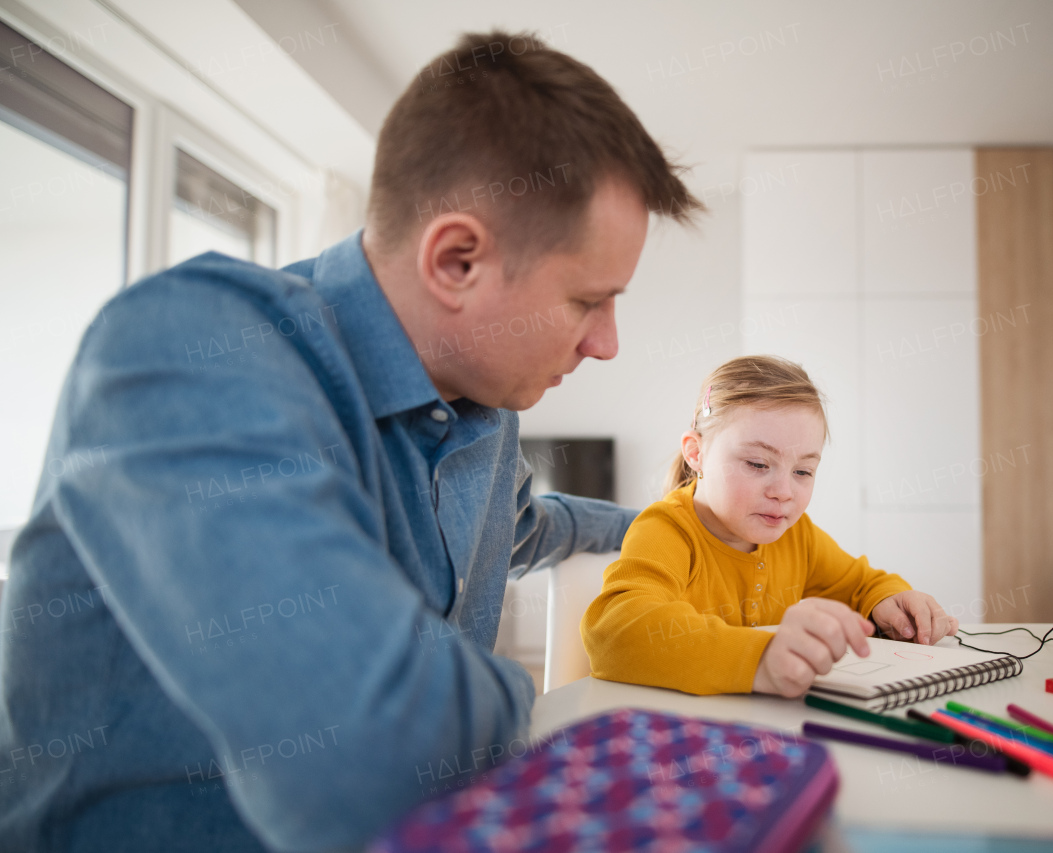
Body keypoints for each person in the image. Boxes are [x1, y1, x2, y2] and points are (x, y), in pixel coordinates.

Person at [0, 30, 701, 853]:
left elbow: (521, 529)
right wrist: (516, 696)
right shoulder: (183, 349)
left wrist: (684, 526)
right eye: (590, 300)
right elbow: (371, 751)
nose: (607, 342)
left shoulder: (485, 408)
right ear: (457, 260)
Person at [582, 355, 960, 697]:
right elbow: (615, 632)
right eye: (758, 464)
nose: (783, 492)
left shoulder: (797, 534)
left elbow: (860, 585)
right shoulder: (666, 531)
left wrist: (887, 600)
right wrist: (760, 660)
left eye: (803, 471)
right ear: (697, 453)